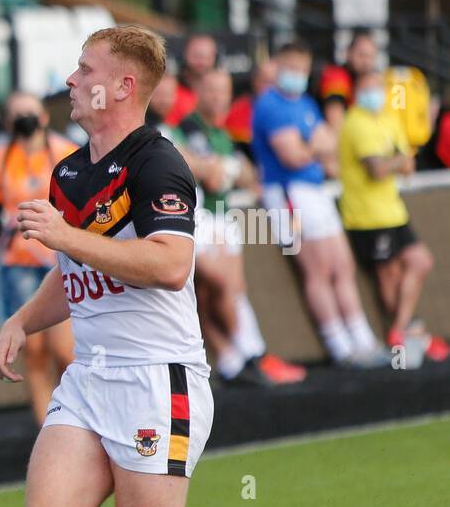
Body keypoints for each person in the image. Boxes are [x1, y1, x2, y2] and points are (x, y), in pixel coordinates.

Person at [0, 25, 254, 507]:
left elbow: (171, 264)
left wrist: (65, 240)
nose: (72, 80)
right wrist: (23, 317)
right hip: (92, 378)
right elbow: (75, 274)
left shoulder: (159, 163)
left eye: (85, 70)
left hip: (157, 379)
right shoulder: (72, 170)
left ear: (123, 88)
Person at [252, 41, 387, 368]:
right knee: (317, 269)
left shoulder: (306, 103)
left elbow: (330, 147)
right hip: (287, 195)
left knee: (342, 264)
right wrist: (315, 146)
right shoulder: (270, 104)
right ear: (280, 67)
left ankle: (362, 339)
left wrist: (311, 147)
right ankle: (339, 345)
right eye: (292, 68)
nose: (297, 75)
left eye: (302, 69)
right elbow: (292, 155)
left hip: (314, 191)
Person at [177, 69, 305, 386]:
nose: (218, 98)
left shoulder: (222, 134)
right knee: (218, 290)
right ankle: (247, 355)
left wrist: (228, 168)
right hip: (198, 218)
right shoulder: (186, 128)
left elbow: (245, 176)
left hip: (221, 215)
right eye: (212, 90)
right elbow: (209, 175)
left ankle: (238, 360)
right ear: (199, 91)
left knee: (224, 292)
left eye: (224, 91)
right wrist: (220, 169)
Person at [0, 91, 76, 423]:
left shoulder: (65, 153)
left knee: (66, 351)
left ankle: (79, 421)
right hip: (19, 263)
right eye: (17, 114)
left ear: (44, 117)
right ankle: (48, 428)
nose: (24, 120)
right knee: (35, 353)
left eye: (29, 112)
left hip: (59, 260)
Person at [338, 70, 449, 362]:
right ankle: (408, 336)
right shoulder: (356, 123)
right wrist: (397, 161)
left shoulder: (388, 118)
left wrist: (395, 162)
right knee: (388, 275)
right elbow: (378, 170)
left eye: (378, 87)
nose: (375, 93)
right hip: (366, 215)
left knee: (420, 260)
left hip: (392, 209)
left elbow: (407, 164)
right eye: (368, 87)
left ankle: (402, 329)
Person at [318, 30, 379, 132]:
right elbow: (336, 123)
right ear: (348, 54)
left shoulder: (372, 80)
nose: (366, 62)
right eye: (361, 55)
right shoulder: (336, 75)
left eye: (370, 57)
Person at [166, 33, 218, 127]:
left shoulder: (220, 94)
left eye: (207, 56)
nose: (202, 61)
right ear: (185, 54)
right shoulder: (173, 92)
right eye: (196, 55)